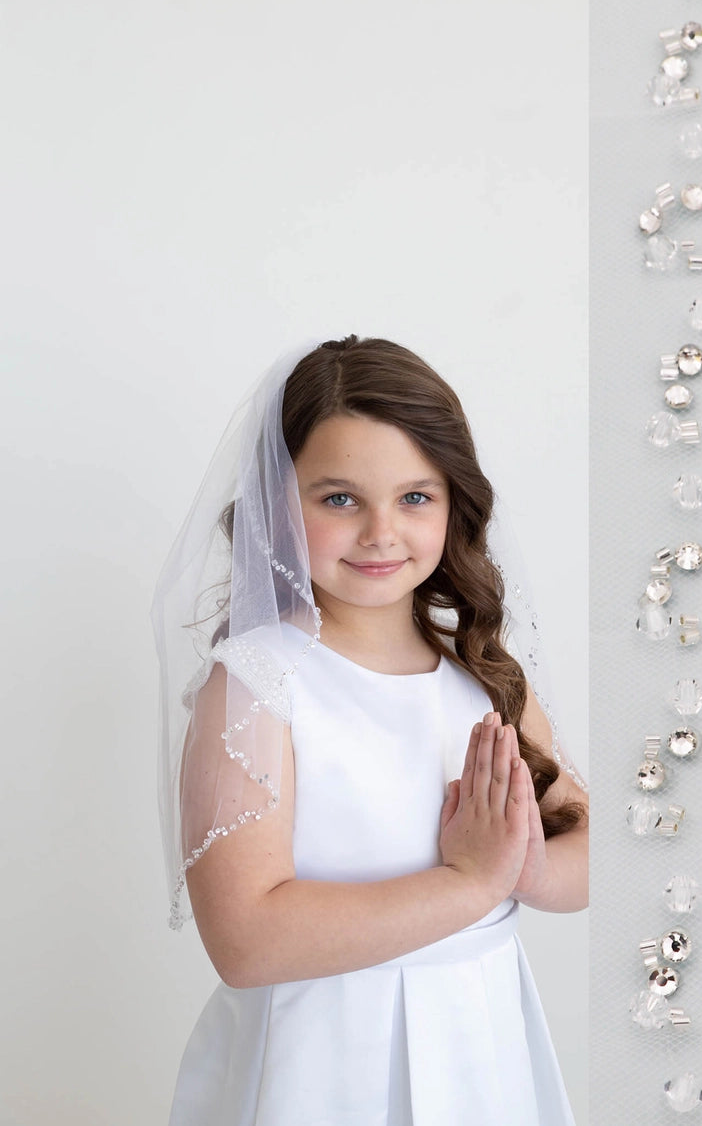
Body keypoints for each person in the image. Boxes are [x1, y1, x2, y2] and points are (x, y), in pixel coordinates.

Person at [152, 335, 588, 1126]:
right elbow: (244, 941)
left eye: (415, 497)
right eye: (340, 499)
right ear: (278, 504)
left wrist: (521, 866)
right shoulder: (258, 683)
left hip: (480, 1052)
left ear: (454, 502)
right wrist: (468, 883)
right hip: (321, 1064)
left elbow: (591, 856)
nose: (382, 532)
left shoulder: (484, 673)